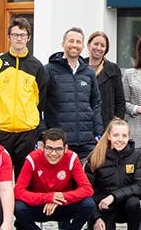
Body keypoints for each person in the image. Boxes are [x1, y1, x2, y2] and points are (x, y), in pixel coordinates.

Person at [14, 127, 96, 230]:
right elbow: (18, 191)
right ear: (42, 147)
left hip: (63, 205)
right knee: (18, 207)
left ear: (65, 148)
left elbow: (87, 189)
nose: (53, 153)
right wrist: (48, 197)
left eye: (58, 149)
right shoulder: (32, 158)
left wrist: (61, 197)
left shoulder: (72, 158)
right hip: (40, 207)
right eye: (49, 148)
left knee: (88, 204)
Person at [0, 16, 47, 175]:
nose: (19, 39)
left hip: (27, 132)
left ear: (28, 38)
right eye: (15, 35)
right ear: (9, 37)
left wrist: (32, 122)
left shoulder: (37, 66)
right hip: (2, 130)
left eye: (22, 35)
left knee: (24, 177)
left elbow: (40, 100)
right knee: (0, 175)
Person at [84, 119, 141, 230]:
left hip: (127, 206)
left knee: (134, 202)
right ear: (109, 136)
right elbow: (87, 191)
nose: (120, 139)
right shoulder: (96, 157)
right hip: (104, 209)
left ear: (129, 137)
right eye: (116, 135)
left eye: (124, 136)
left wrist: (113, 196)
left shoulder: (137, 156)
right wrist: (96, 217)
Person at [44, 27, 103, 161]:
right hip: (59, 142)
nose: (75, 45)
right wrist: (43, 133)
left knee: (86, 174)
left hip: (87, 141)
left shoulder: (89, 73)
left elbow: (96, 104)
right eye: (71, 41)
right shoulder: (49, 70)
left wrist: (98, 132)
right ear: (63, 44)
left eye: (78, 42)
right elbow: (39, 104)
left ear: (83, 46)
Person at [87, 31, 127, 136]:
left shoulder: (113, 69)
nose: (98, 48)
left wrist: (115, 124)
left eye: (102, 45)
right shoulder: (80, 67)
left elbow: (120, 101)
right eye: (96, 44)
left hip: (106, 126)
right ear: (88, 45)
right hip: (84, 125)